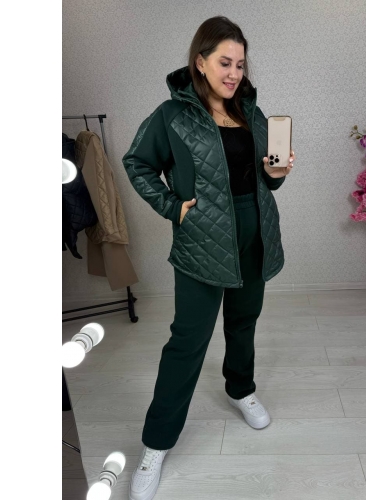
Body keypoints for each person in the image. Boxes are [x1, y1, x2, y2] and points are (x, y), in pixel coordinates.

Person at [122, 16, 295, 500]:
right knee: (187, 340)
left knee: (244, 322)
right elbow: (137, 162)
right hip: (202, 241)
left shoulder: (252, 112)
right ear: (200, 62)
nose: (234, 72)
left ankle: (241, 389)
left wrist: (278, 170)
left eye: (240, 64)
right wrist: (170, 206)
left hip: (255, 235)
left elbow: (267, 180)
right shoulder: (173, 115)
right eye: (225, 62)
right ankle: (156, 444)